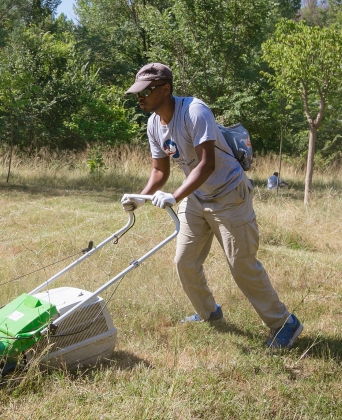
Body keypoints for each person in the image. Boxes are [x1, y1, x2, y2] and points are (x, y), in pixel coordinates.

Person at [121, 63, 302, 349]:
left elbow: (207, 164)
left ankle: (284, 323)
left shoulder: (195, 111)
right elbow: (160, 171)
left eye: (146, 92)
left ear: (165, 90)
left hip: (229, 194)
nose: (139, 98)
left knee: (241, 265)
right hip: (197, 198)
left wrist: (175, 196)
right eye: (137, 93)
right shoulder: (154, 123)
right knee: (184, 261)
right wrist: (139, 197)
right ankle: (209, 313)